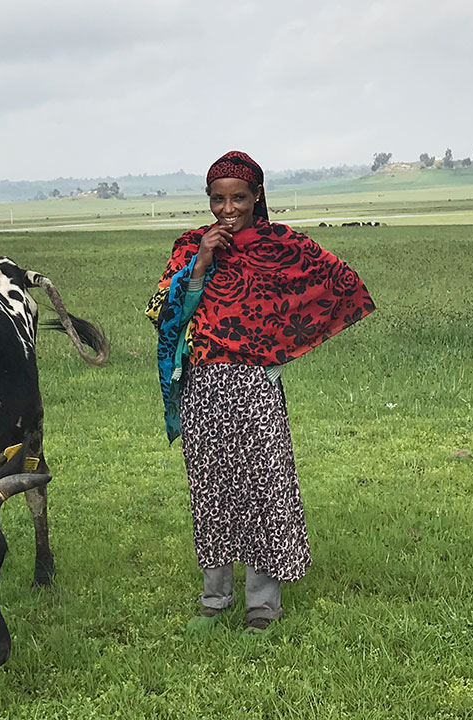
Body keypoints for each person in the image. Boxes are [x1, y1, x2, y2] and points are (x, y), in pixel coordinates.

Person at [145, 150, 375, 634]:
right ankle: (214, 599)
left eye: (239, 198)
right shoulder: (189, 247)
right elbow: (164, 314)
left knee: (262, 489)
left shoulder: (279, 246)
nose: (228, 209)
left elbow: (340, 283)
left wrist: (284, 345)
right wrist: (203, 260)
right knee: (210, 491)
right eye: (218, 199)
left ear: (257, 197)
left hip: (255, 388)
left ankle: (262, 606)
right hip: (201, 386)